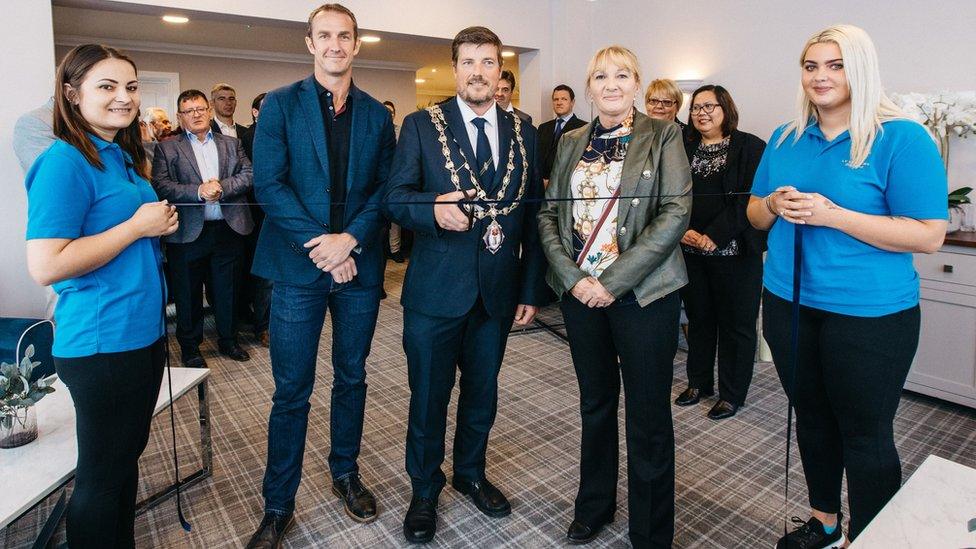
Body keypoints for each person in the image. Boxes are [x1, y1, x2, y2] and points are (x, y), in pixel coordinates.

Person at [746, 24, 947, 548]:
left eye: (835, 65)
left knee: (865, 433)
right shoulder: (787, 137)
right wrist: (773, 205)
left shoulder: (901, 137)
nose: (821, 76)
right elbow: (754, 212)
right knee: (810, 416)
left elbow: (928, 235)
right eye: (811, 66)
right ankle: (826, 523)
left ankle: (872, 536)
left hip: (870, 314)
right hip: (788, 302)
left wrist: (836, 216)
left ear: (859, 69)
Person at [385, 25, 546, 544]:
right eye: (469, 62)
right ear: (455, 69)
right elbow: (395, 198)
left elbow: (533, 217)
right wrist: (432, 209)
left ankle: (470, 472)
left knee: (483, 393)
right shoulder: (419, 125)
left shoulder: (525, 128)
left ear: (501, 70)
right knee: (429, 397)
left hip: (497, 291)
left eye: (488, 62)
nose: (479, 72)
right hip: (435, 292)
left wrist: (529, 289)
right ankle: (424, 490)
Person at [244, 4, 396, 547]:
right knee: (291, 390)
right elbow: (270, 186)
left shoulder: (378, 116)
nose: (336, 44)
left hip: (358, 266)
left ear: (358, 44)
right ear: (310, 43)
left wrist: (350, 239)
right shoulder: (281, 106)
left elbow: (385, 190)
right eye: (325, 35)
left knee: (352, 376)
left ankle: (345, 473)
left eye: (345, 36)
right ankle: (277, 504)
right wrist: (325, 247)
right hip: (296, 268)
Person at [24, 43, 179, 548]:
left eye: (130, 87)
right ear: (72, 94)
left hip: (139, 333)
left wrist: (150, 227)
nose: (123, 98)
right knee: (101, 476)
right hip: (102, 341)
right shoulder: (65, 161)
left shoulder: (118, 157)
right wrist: (136, 227)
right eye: (107, 87)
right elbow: (46, 265)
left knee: (122, 464)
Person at [537, 45, 691, 548]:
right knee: (595, 404)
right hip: (581, 295)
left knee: (648, 415)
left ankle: (650, 532)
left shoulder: (663, 133)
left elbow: (674, 214)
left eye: (622, 75)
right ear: (589, 86)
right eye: (600, 75)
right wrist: (574, 280)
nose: (611, 84)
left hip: (644, 295)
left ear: (637, 82)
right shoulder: (572, 141)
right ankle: (595, 506)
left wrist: (612, 281)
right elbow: (548, 214)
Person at [673, 85, 766, 420]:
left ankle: (731, 393)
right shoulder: (683, 146)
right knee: (699, 321)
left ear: (726, 108)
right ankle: (699, 383)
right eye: (696, 107)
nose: (702, 113)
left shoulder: (750, 146)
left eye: (709, 106)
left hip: (736, 253)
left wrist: (714, 235)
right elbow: (671, 194)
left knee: (736, 326)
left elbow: (751, 199)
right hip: (691, 251)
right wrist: (682, 230)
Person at [151, 89, 254, 367]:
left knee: (227, 290)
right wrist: (199, 190)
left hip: (228, 230)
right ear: (180, 116)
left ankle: (229, 341)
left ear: (209, 111)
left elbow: (248, 175)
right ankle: (190, 347)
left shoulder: (231, 144)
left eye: (200, 109)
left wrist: (222, 188)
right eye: (188, 111)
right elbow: (161, 184)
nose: (195, 115)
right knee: (188, 293)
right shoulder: (167, 147)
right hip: (187, 234)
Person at [238, 92, 271, 346]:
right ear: (255, 112)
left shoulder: (281, 133)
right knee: (263, 277)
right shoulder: (249, 137)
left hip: (278, 215)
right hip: (258, 217)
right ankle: (263, 327)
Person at [537, 84, 586, 185]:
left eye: (564, 99)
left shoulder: (584, 128)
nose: (559, 102)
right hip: (540, 188)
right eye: (556, 99)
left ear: (572, 102)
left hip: (565, 187)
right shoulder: (543, 128)